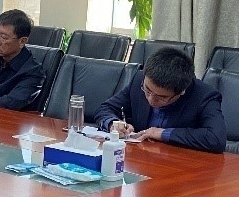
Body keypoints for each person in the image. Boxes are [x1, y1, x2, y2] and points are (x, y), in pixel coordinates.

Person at [94, 48, 225, 151]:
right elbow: (105, 109)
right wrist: (113, 124)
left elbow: (216, 138)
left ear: (181, 92)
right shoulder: (138, 80)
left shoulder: (204, 96)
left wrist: (162, 133)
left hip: (179, 165)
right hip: (139, 158)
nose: (151, 99)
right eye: (147, 90)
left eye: (161, 97)